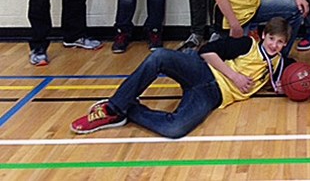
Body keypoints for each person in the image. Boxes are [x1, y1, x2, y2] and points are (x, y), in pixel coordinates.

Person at [70, 17, 292, 138]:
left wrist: (298, 88)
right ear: (264, 35)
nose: (275, 45)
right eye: (272, 38)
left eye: (281, 42)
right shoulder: (247, 44)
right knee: (159, 57)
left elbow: (302, 77)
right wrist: (234, 75)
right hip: (204, 71)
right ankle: (112, 108)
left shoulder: (281, 63)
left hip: (212, 96)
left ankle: (130, 110)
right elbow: (206, 51)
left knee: (175, 130)